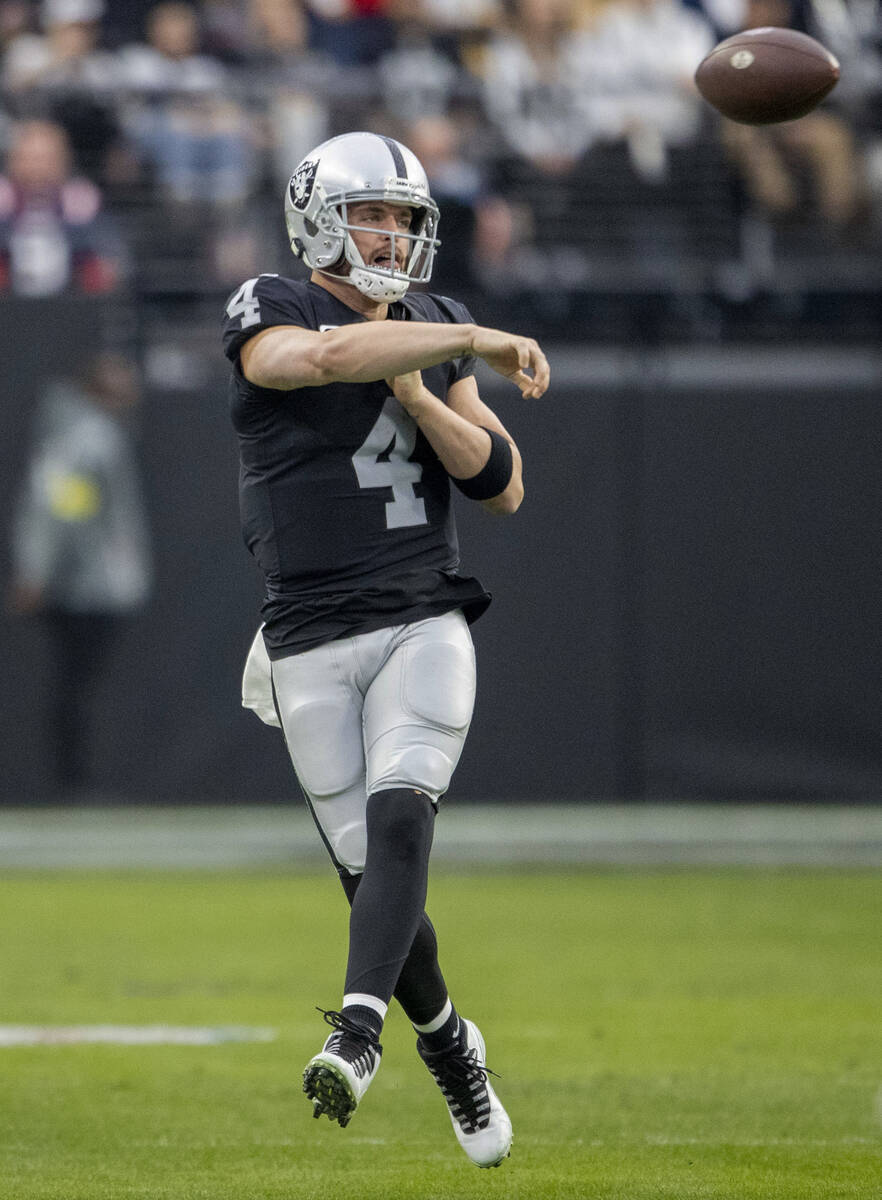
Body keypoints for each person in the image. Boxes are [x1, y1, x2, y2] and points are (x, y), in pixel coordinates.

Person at [222, 130, 549, 1167]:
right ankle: (449, 1040)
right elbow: (316, 360)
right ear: (321, 218)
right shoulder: (272, 303)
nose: (395, 235)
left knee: (403, 818)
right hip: (309, 629)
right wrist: (476, 342)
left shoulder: (439, 326)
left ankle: (357, 1035)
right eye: (375, 214)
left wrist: (431, 384)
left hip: (421, 611)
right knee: (374, 886)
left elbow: (500, 483)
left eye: (407, 219)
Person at [8, 349, 152, 794]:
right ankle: (74, 783)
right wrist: (39, 571)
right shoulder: (90, 438)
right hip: (87, 588)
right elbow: (64, 509)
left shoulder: (79, 432)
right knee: (78, 688)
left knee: (76, 686)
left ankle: (74, 781)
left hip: (84, 583)